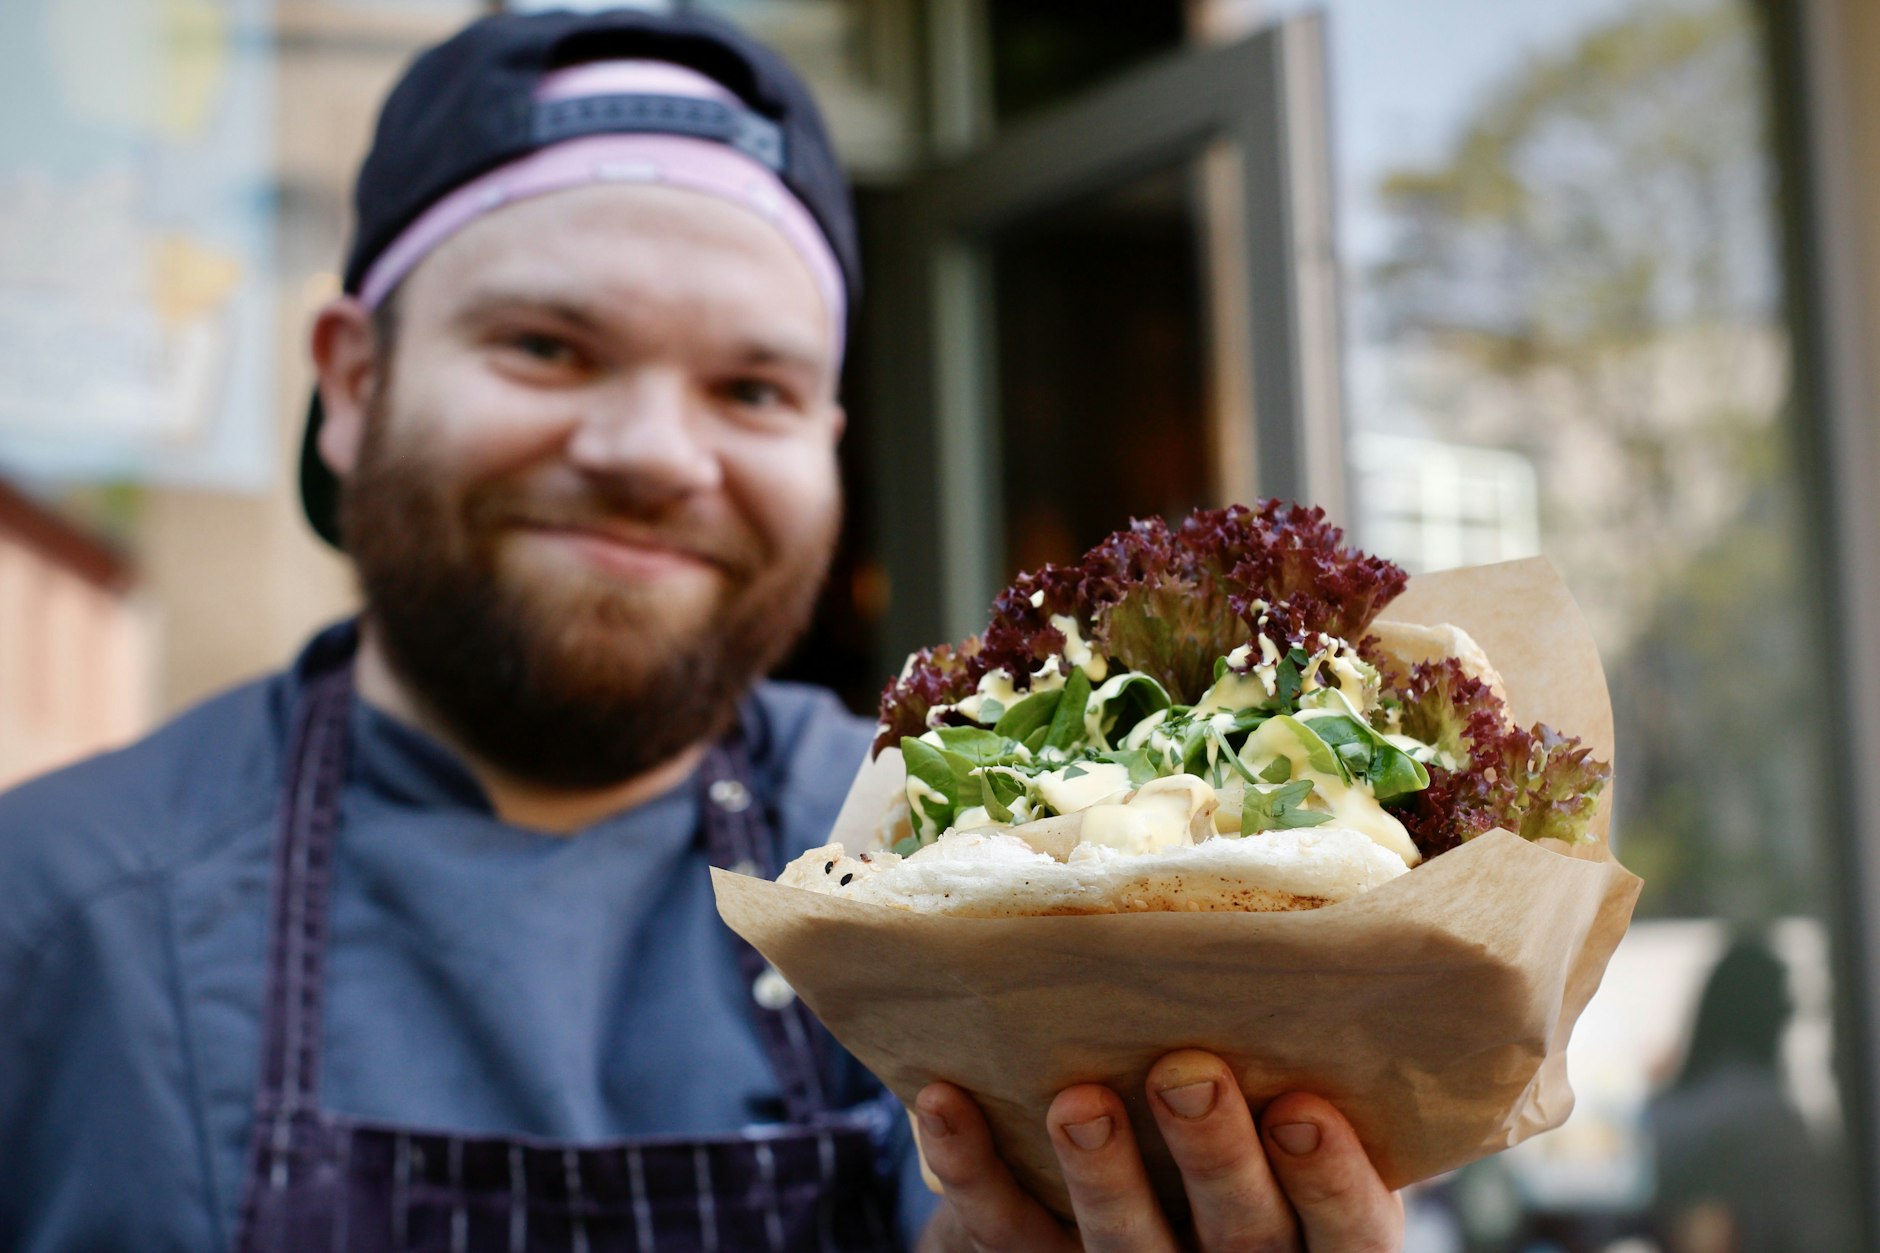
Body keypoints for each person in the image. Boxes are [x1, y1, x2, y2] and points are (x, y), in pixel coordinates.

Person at [0, 9, 1401, 1251]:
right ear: (354, 381)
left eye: (751, 389)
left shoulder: (989, 877)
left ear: (830, 444)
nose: (655, 452)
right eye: (546, 345)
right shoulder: (54, 913)